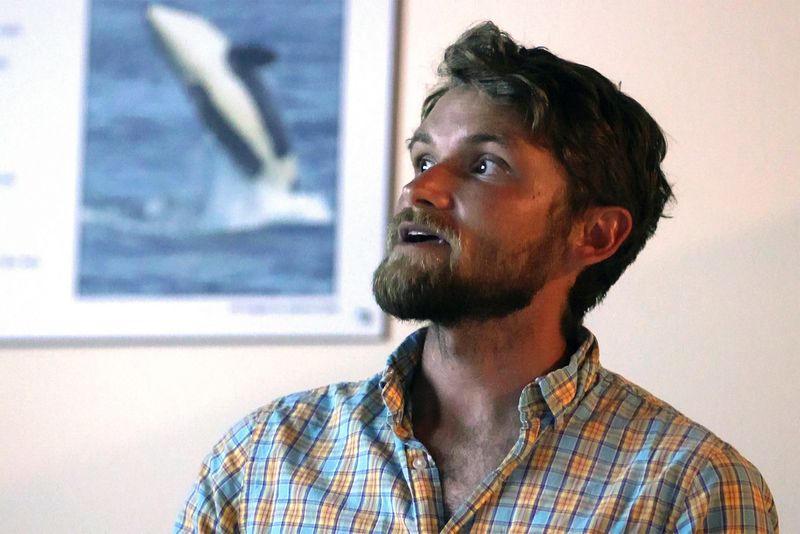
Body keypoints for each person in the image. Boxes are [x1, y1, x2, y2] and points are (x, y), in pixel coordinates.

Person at [175, 22, 778, 533]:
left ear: (593, 235)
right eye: (424, 159)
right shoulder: (262, 460)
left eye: (485, 165)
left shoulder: (690, 490)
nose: (420, 190)